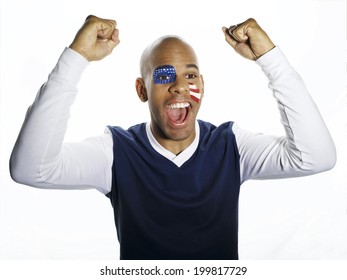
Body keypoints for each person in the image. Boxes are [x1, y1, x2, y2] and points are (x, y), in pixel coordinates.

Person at [9, 15, 336, 260]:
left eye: (190, 75)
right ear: (142, 90)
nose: (180, 86)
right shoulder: (116, 151)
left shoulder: (232, 146)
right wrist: (77, 56)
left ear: (202, 87)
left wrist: (271, 59)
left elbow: (316, 157)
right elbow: (30, 169)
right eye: (164, 75)